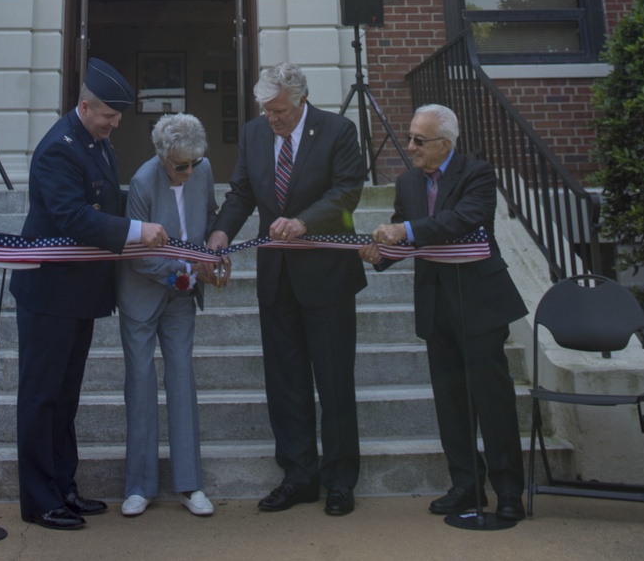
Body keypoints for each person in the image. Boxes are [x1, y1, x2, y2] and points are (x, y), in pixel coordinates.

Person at [11, 57, 168, 530]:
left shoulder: (94, 142)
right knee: (41, 397)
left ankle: (64, 487)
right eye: (110, 116)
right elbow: (74, 218)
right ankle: (40, 500)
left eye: (117, 117)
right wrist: (139, 230)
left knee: (66, 396)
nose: (116, 124)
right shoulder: (58, 149)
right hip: (49, 293)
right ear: (85, 106)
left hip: (75, 294)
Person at [207, 63, 365, 517]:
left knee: (334, 383)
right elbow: (240, 192)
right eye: (265, 109)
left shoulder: (337, 130)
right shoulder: (256, 133)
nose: (270, 118)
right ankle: (299, 476)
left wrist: (304, 221)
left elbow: (346, 192)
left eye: (278, 110)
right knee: (285, 384)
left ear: (300, 101)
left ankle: (339, 480)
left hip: (327, 279)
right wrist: (221, 234)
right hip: (277, 280)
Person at [359, 104, 527, 523]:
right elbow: (404, 234)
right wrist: (379, 254)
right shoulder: (408, 182)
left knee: (493, 400)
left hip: (480, 303)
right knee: (451, 403)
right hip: (436, 305)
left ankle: (508, 491)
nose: (410, 146)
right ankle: (466, 485)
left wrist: (407, 231)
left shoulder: (478, 174)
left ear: (445, 144)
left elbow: (464, 219)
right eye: (410, 136)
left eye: (419, 140)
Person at [117, 113, 221, 518]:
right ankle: (139, 487)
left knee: (181, 378)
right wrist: (185, 270)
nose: (190, 171)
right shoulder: (143, 181)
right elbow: (139, 253)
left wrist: (214, 253)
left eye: (195, 162)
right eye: (181, 165)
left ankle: (190, 484)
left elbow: (210, 218)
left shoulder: (203, 168)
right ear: (162, 157)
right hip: (142, 295)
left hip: (182, 295)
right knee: (140, 385)